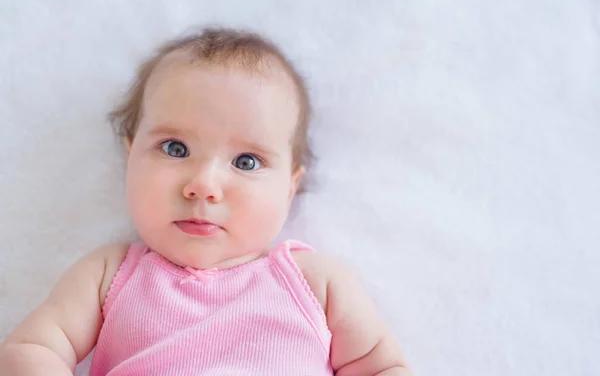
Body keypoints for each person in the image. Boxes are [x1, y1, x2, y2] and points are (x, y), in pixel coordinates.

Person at [0, 27, 413, 376]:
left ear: (289, 186)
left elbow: (382, 367)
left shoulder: (315, 284)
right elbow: (30, 351)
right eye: (175, 148)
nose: (203, 185)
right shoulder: (109, 276)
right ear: (131, 157)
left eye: (246, 161)